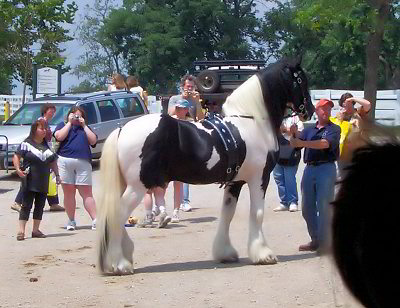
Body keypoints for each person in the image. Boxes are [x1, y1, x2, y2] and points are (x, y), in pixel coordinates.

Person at [290, 98, 340, 252]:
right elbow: (294, 143)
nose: (326, 111)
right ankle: (316, 239)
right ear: (317, 111)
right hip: (310, 169)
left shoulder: (334, 129)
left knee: (324, 205)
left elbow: (325, 144)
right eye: (323, 108)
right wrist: (293, 134)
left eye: (329, 109)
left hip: (326, 168)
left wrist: (302, 143)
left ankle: (325, 242)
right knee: (307, 207)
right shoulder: (309, 130)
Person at [11, 103, 64, 212]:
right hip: (40, 151)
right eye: (51, 111)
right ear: (45, 111)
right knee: (33, 177)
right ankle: (18, 201)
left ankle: (53, 202)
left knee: (49, 177)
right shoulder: (41, 122)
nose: (53, 113)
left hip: (45, 150)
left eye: (54, 111)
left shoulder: (46, 122)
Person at [13, 119, 60, 241]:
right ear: (34, 130)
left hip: (43, 179)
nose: (44, 131)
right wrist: (18, 169)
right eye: (41, 128)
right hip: (29, 179)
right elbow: (16, 156)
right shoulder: (26, 143)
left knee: (40, 205)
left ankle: (35, 230)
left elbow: (53, 162)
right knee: (26, 205)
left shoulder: (47, 145)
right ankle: (21, 231)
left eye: (45, 129)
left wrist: (58, 175)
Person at [54, 106, 97, 231]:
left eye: (79, 116)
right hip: (64, 160)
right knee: (68, 192)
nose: (76, 118)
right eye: (74, 115)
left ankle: (95, 219)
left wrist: (84, 126)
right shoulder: (62, 125)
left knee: (87, 193)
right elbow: (59, 137)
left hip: (83, 161)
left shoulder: (85, 128)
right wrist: (69, 123)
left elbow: (93, 140)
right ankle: (71, 220)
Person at [168, 76, 205, 212]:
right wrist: (182, 100)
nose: (190, 89)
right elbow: (169, 114)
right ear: (182, 86)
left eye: (192, 87)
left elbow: (200, 119)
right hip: (174, 136)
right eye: (188, 86)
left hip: (189, 137)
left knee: (184, 171)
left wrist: (198, 102)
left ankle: (185, 201)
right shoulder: (174, 99)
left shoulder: (195, 100)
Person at [272, 110, 304, 212]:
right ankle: (284, 202)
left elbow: (300, 134)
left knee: (289, 178)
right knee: (278, 177)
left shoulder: (296, 119)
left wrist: (287, 130)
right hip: (278, 151)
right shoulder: (277, 119)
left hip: (291, 152)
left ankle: (293, 201)